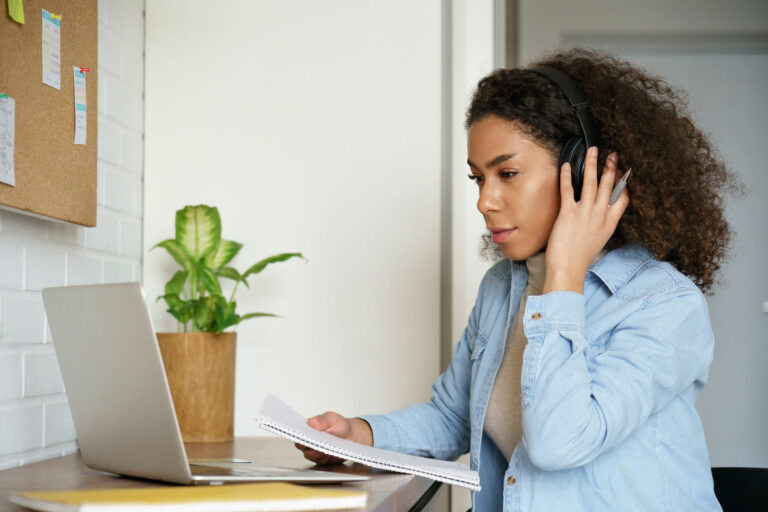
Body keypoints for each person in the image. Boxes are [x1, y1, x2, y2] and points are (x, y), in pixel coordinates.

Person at [295, 48, 737, 511]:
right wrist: (356, 434)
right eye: (478, 179)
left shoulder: (665, 304)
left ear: (582, 174)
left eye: (507, 173)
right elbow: (455, 416)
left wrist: (564, 274)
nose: (485, 201)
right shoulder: (501, 287)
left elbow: (559, 443)